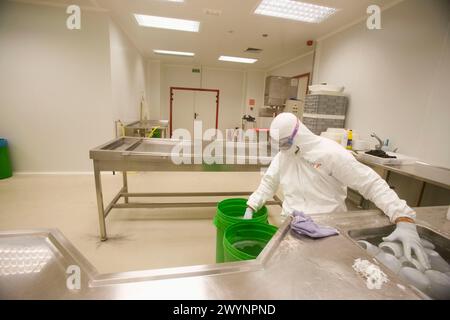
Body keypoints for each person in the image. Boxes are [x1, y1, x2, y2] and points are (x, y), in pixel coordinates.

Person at [244, 112, 430, 270]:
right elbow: (269, 182)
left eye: (283, 144)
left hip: (325, 229)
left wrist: (403, 217)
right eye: (278, 145)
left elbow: (370, 183)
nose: (281, 149)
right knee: (290, 275)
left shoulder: (331, 153)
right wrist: (252, 205)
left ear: (297, 135)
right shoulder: (285, 155)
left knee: (323, 276)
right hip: (290, 227)